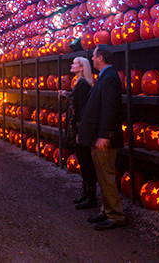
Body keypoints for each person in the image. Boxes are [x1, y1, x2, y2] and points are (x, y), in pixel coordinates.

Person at [78, 44, 126, 231]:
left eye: (94, 56)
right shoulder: (105, 77)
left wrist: (105, 135)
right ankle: (107, 210)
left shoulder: (110, 78)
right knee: (102, 176)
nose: (91, 59)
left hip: (104, 139)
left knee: (107, 177)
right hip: (97, 137)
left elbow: (110, 109)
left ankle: (116, 216)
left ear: (100, 58)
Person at [61, 57, 97, 209]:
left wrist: (79, 131)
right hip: (79, 128)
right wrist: (67, 97)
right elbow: (76, 103)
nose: (72, 65)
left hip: (81, 129)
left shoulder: (83, 85)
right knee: (83, 161)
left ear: (82, 68)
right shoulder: (80, 84)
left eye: (75, 63)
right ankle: (86, 193)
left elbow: (83, 110)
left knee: (86, 162)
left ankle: (91, 197)